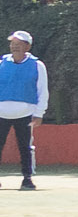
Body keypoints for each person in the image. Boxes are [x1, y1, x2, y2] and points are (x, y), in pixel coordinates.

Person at [0, 30, 45, 190]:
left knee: (25, 147)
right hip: (1, 113)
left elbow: (42, 91)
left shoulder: (37, 65)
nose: (14, 46)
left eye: (19, 44)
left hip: (25, 114)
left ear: (27, 46)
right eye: (13, 43)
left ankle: (27, 178)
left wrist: (39, 113)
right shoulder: (1, 62)